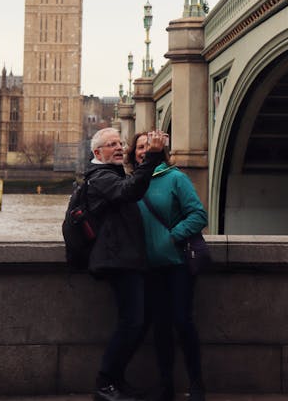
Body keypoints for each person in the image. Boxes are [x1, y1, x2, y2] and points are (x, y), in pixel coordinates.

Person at [85, 126, 167, 401]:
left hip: (128, 258)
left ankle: (116, 380)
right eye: (112, 144)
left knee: (138, 322)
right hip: (117, 261)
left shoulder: (112, 174)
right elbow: (129, 191)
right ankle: (105, 382)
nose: (120, 147)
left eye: (121, 143)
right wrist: (153, 158)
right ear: (97, 153)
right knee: (132, 322)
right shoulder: (100, 177)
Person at [127, 131, 208, 401]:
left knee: (182, 322)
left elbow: (198, 214)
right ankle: (166, 386)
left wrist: (172, 236)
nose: (143, 151)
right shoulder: (130, 184)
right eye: (139, 147)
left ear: (158, 150)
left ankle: (196, 383)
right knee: (160, 327)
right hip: (147, 268)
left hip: (177, 265)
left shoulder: (175, 178)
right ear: (133, 153)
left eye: (147, 146)